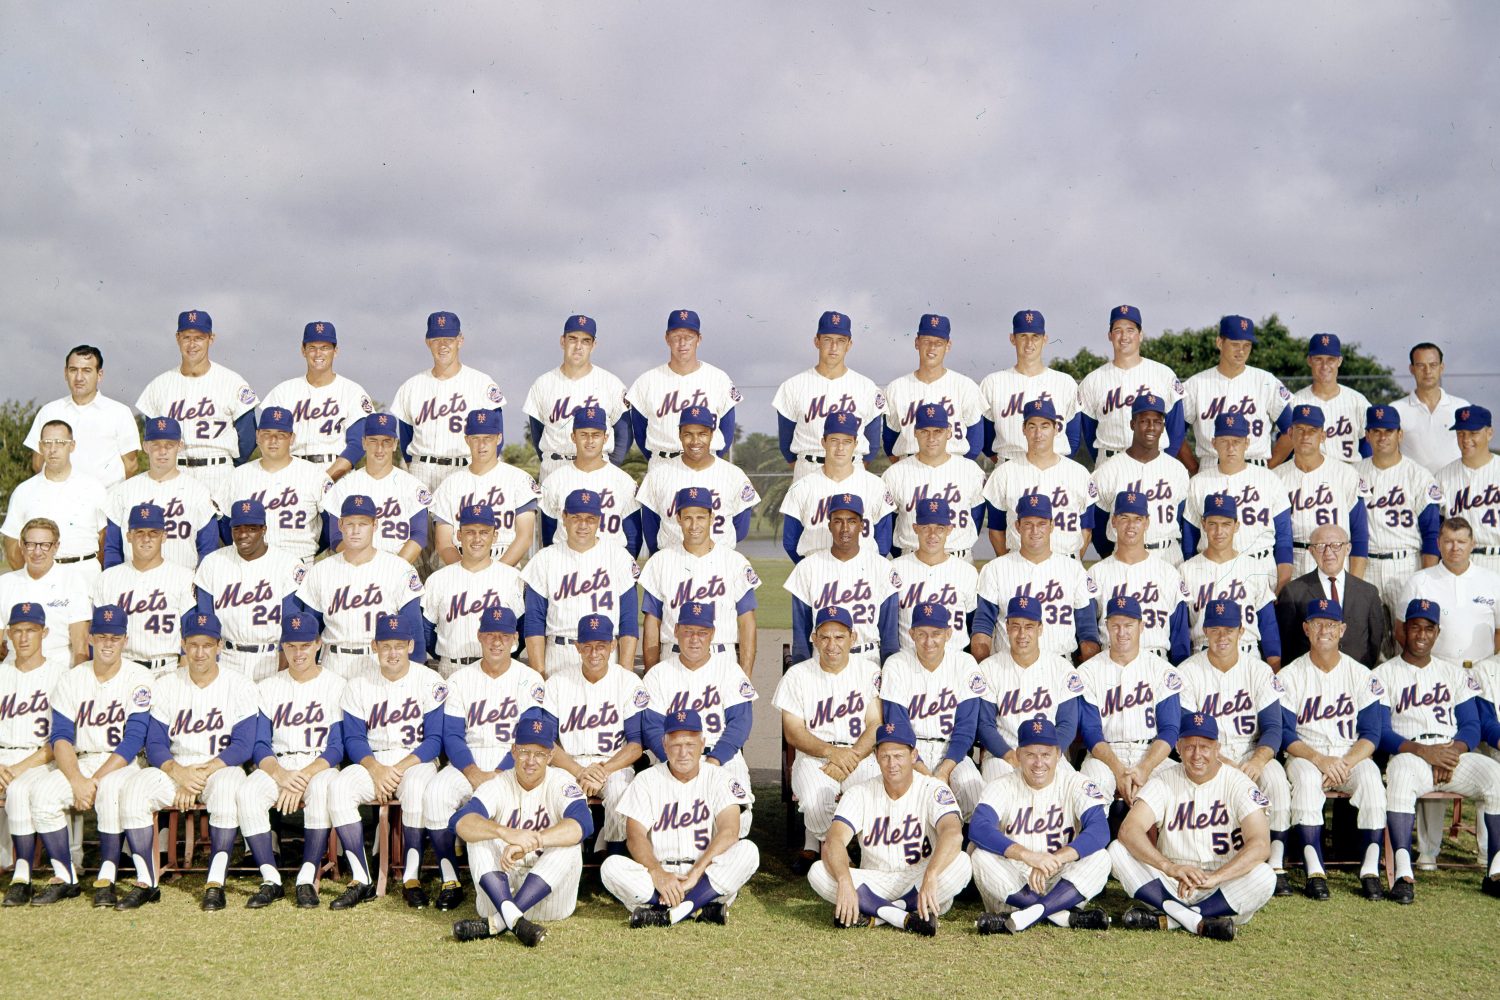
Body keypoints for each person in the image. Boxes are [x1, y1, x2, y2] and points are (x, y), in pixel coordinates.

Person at [114, 609, 257, 911]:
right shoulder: (166, 684)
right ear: (182, 644)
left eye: (207, 645)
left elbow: (243, 746)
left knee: (229, 788)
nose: (200, 652)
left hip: (219, 768)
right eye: (193, 644)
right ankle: (146, 881)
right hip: (176, 769)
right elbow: (154, 743)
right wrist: (177, 772)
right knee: (134, 789)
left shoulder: (240, 683)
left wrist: (200, 776)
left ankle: (215, 882)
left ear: (220, 646)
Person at [1108, 711, 1275, 940]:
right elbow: (1130, 830)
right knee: (1117, 850)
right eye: (1189, 747)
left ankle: (1172, 918)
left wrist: (1216, 877)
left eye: (1205, 747)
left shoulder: (1238, 783)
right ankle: (1197, 920)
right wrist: (1169, 868)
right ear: (1178, 747)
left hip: (1222, 886)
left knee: (1265, 875)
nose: (1197, 755)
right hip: (1173, 882)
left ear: (1217, 748)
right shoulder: (1164, 780)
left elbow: (1261, 844)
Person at [26, 604, 152, 907]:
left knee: (108, 790)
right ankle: (65, 876)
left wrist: (92, 781)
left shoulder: (139, 677)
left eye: (115, 637)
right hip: (80, 761)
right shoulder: (72, 679)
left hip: (122, 763)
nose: (108, 643)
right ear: (91, 639)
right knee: (43, 793)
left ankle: (106, 876)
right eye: (102, 636)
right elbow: (61, 737)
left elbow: (133, 740)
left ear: (125, 640)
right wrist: (77, 779)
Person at [1375, 598, 1500, 902]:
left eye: (1428, 629)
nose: (1421, 634)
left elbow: (1471, 725)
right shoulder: (1383, 673)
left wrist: (1453, 751)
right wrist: (1424, 752)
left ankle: (1496, 871)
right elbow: (1381, 732)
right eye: (1415, 627)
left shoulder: (1454, 673)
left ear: (1437, 633)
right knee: (1401, 776)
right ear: (1403, 630)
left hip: (1451, 753)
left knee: (1496, 776)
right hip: (1410, 753)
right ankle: (1404, 874)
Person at [423, 606, 546, 911]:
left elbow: (528, 736)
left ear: (515, 639)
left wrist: (501, 772)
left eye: (503, 636)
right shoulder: (460, 680)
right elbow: (452, 735)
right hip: (469, 760)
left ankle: (518, 876)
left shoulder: (530, 680)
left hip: (515, 763)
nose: (496, 642)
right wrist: (473, 771)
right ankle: (450, 878)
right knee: (436, 794)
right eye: (490, 635)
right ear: (479, 637)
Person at [805, 716, 971, 935]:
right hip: (875, 880)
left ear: (913, 755)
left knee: (962, 863)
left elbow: (953, 834)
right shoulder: (860, 792)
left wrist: (931, 875)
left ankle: (879, 914)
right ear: (876, 757)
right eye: (885, 757)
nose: (892, 764)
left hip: (918, 876)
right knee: (818, 872)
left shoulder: (932, 788)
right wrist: (845, 880)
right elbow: (834, 840)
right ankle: (906, 915)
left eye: (899, 756)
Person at [327, 614, 446, 910]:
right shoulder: (358, 684)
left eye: (398, 645)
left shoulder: (429, 680)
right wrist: (376, 769)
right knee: (339, 788)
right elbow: (353, 739)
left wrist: (397, 770)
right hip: (374, 761)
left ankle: (411, 877)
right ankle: (361, 877)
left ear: (410, 645)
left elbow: (434, 740)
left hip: (415, 760)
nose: (392, 653)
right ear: (374, 646)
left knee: (417, 788)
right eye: (385, 646)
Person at [600, 708, 760, 928]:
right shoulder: (647, 780)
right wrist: (658, 873)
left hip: (707, 876)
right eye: (675, 745)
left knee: (748, 851)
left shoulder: (720, 778)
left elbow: (729, 832)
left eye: (690, 745)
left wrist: (697, 872)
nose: (683, 752)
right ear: (664, 746)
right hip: (661, 878)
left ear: (702, 745)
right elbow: (635, 836)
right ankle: (699, 907)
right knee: (611, 867)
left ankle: (665, 913)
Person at [449, 707, 593, 946]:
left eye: (539, 754)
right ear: (514, 751)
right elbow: (460, 822)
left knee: (568, 842)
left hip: (550, 899)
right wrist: (505, 832)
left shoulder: (561, 782)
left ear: (550, 756)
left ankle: (497, 923)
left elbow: (582, 824)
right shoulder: (498, 783)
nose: (530, 761)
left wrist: (532, 841)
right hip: (499, 892)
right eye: (525, 751)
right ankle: (515, 920)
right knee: (480, 834)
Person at [1176, 600, 1292, 894]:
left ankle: (1276, 864)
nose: (1222, 636)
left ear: (1242, 631)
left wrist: (1258, 761)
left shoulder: (1259, 671)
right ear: (1205, 632)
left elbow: (1274, 728)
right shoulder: (1188, 671)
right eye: (1214, 629)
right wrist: (1221, 764)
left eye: (1228, 629)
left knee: (1276, 780)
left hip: (1250, 753)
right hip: (1206, 757)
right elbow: (1187, 730)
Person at [1278, 598, 1388, 901]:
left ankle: (1370, 871)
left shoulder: (1361, 674)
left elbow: (1371, 735)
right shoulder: (1289, 675)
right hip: (1307, 754)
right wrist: (1319, 759)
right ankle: (1315, 871)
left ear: (1342, 629)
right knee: (1304, 783)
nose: (1323, 629)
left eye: (1330, 624)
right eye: (1316, 623)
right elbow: (1286, 734)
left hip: (1349, 754)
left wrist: (1344, 762)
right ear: (1306, 629)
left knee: (1372, 784)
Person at [235, 613, 345, 909]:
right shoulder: (268, 687)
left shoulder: (335, 684)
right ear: (282, 647)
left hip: (317, 765)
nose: (299, 653)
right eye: (292, 646)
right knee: (247, 792)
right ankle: (270, 879)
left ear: (318, 644)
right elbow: (259, 744)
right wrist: (281, 775)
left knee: (322, 789)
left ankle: (306, 876)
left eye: (306, 645)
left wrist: (302, 776)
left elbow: (336, 747)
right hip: (279, 766)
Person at [969, 718, 1112, 933]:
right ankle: (1061, 916)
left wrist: (1058, 858)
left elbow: (1100, 830)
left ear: (1058, 754)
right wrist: (1028, 855)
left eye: (1045, 755)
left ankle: (1027, 915)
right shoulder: (1002, 784)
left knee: (1101, 857)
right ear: (1018, 755)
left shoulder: (1076, 783)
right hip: (1014, 882)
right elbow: (979, 828)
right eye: (1030, 755)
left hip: (1060, 878)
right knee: (978, 855)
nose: (1038, 763)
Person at [773, 606, 882, 874]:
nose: (831, 645)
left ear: (853, 638)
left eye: (839, 637)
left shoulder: (869, 671)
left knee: (876, 797)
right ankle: (839, 855)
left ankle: (860, 854)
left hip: (860, 755)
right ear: (814, 638)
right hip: (815, 758)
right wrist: (832, 753)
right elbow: (793, 732)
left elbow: (875, 723)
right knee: (817, 800)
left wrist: (851, 755)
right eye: (825, 637)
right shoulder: (797, 676)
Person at [641, 604, 756, 834]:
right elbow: (652, 728)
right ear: (675, 631)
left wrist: (714, 761)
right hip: (673, 759)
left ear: (712, 634)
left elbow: (740, 724)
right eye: (688, 631)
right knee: (658, 820)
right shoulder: (658, 674)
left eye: (702, 632)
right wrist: (676, 761)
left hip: (722, 758)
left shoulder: (730, 671)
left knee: (739, 822)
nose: (695, 639)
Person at [545, 615, 648, 856]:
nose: (594, 653)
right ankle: (572, 852)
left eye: (601, 646)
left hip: (613, 762)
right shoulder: (558, 682)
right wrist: (579, 771)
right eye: (588, 646)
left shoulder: (627, 681)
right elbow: (546, 743)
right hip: (569, 764)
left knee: (621, 792)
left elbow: (636, 745)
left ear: (612, 646)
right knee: (560, 792)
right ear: (577, 646)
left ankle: (614, 856)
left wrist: (604, 769)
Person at [133, 309, 259, 502]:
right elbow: (152, 439)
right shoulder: (159, 385)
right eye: (186, 337)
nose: (192, 344)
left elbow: (248, 436)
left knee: (220, 531)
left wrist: (228, 463)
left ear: (211, 339)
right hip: (174, 472)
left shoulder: (232, 381)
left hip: (218, 472)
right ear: (177, 338)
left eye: (199, 338)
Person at [296, 495, 427, 680]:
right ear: (340, 525)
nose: (355, 530)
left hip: (380, 663)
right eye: (350, 524)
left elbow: (415, 632)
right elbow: (310, 631)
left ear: (375, 525)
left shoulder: (399, 569)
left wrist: (413, 677)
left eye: (363, 524)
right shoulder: (320, 571)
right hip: (334, 664)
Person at [879, 603, 986, 818]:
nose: (929, 642)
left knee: (973, 791)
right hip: (909, 753)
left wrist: (944, 770)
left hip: (952, 753)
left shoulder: (965, 664)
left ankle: (966, 846)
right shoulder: (896, 664)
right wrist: (926, 774)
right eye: (922, 634)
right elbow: (897, 727)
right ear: (911, 634)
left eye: (936, 633)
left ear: (948, 633)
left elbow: (966, 729)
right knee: (909, 799)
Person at [1076, 596, 1182, 810]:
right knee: (1091, 785)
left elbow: (1170, 730)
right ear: (1106, 627)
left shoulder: (1162, 670)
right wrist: (1118, 770)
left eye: (1128, 625)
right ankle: (1097, 843)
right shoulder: (1087, 672)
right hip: (1104, 757)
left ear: (1141, 627)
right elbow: (1090, 731)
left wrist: (1144, 768)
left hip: (1150, 754)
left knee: (1179, 786)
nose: (1122, 632)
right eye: (1115, 626)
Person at [639, 487, 759, 673]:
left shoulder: (735, 562)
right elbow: (652, 623)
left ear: (712, 518)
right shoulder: (660, 562)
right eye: (688, 518)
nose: (694, 525)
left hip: (722, 658)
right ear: (678, 519)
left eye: (701, 517)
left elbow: (747, 623)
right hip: (672, 660)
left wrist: (746, 675)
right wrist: (651, 673)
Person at [521, 489, 639, 676]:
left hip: (604, 653)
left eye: (590, 519)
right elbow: (534, 622)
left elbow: (629, 621)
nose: (583, 525)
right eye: (576, 518)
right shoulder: (545, 558)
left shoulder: (618, 557)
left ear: (599, 520)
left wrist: (625, 672)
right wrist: (539, 672)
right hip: (560, 653)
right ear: (564, 517)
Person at [387, 311, 507, 495]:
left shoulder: (482, 384)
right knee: (421, 524)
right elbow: (405, 439)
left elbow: (497, 436)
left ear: (460, 340)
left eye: (448, 339)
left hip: (465, 468)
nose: (442, 345)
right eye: (436, 339)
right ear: (428, 342)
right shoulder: (411, 386)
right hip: (422, 471)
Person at [971, 494, 1101, 662]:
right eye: (1028, 524)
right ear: (1017, 526)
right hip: (1008, 666)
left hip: (1060, 665)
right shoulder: (995, 569)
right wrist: (985, 669)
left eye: (1041, 524)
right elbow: (982, 626)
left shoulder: (1073, 569)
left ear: (1052, 525)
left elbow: (1088, 631)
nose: (1035, 531)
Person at [0, 604, 70, 906]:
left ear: (45, 633)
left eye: (31, 630)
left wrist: (16, 769)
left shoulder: (60, 676)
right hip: (3, 759)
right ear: (8, 635)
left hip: (41, 760)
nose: (24, 637)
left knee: (18, 790)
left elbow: (62, 738)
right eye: (18, 630)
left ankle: (22, 874)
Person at [193, 498, 307, 682]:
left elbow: (291, 629)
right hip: (227, 659)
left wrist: (283, 674)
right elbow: (205, 624)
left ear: (264, 529)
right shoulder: (213, 563)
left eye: (251, 528)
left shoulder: (287, 564)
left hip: (271, 657)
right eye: (237, 528)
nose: (243, 534)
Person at [1180, 412, 1294, 593]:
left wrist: (1283, 581)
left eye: (1237, 441)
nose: (1230, 447)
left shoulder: (1269, 480)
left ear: (1247, 443)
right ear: (1214, 443)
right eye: (1224, 441)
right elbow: (1190, 539)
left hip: (1261, 568)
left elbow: (1284, 538)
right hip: (1211, 571)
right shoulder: (1199, 482)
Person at [975, 596, 1083, 784]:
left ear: (1040, 628)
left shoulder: (1061, 668)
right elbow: (985, 725)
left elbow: (1067, 725)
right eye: (1015, 626)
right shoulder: (989, 668)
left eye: (1029, 626)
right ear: (1007, 628)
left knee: (1074, 790)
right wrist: (1009, 755)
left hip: (1049, 756)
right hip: (1002, 756)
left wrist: (1045, 756)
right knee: (997, 790)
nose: (1022, 634)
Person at [784, 494, 900, 663]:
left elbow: (889, 639)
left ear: (862, 525)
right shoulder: (807, 568)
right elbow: (801, 638)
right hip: (823, 660)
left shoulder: (882, 568)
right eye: (838, 521)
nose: (845, 528)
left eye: (852, 521)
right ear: (829, 525)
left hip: (868, 659)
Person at [772, 310, 887, 479]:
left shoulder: (866, 386)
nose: (834, 347)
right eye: (827, 340)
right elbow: (785, 443)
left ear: (849, 344)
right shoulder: (793, 386)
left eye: (840, 341)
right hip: (808, 469)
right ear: (816, 342)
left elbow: (873, 443)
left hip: (853, 470)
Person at [419, 502, 526, 678]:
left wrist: (503, 656)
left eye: (484, 532)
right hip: (452, 668)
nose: (477, 539)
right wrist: (447, 655)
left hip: (500, 670)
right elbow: (426, 631)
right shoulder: (438, 580)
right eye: (470, 532)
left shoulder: (512, 578)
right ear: (459, 535)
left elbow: (521, 629)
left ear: (495, 536)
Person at [258, 321, 374, 480]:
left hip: (337, 473)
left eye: (325, 347)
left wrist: (327, 479)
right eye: (312, 348)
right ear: (303, 351)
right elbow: (267, 439)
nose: (318, 354)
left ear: (336, 351)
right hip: (291, 474)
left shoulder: (352, 391)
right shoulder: (283, 391)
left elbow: (357, 445)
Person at [521, 313, 631, 480]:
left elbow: (624, 433)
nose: (578, 346)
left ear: (593, 345)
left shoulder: (611, 383)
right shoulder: (543, 384)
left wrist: (610, 466)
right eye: (573, 339)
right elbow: (537, 434)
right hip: (555, 470)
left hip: (598, 471)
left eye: (585, 341)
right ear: (562, 341)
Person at [635, 406, 759, 554]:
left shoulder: (734, 475)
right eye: (688, 434)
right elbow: (651, 529)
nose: (695, 441)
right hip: (673, 560)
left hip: (720, 562)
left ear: (712, 435)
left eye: (702, 434)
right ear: (679, 435)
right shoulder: (658, 475)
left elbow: (741, 528)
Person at [1357, 404, 1443, 617]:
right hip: (1366, 565)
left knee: (1406, 637)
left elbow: (1432, 533)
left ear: (1400, 434)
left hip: (1406, 565)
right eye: (1375, 431)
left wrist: (1426, 578)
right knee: (1368, 642)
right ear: (1367, 436)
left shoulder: (1419, 476)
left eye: (1388, 431)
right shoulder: (1353, 474)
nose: (1382, 437)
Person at [104, 416, 222, 570]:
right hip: (133, 582)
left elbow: (208, 550)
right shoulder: (124, 491)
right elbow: (113, 548)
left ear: (180, 446)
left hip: (184, 582)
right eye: (156, 445)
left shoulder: (198, 492)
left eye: (169, 445)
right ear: (145, 446)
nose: (162, 451)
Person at [984, 398, 1095, 560]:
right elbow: (996, 530)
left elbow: (1086, 529)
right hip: (1019, 563)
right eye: (1032, 426)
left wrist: (1073, 562)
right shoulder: (1005, 473)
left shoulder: (1079, 473)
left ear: (1056, 429)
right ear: (1023, 429)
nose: (1038, 434)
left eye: (1045, 426)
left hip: (1066, 562)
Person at [626, 309, 741, 466]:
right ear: (667, 339)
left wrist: (709, 460)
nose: (682, 343)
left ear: (699, 339)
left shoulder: (719, 378)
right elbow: (639, 432)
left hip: (707, 462)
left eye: (689, 337)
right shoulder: (647, 381)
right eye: (676, 337)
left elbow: (727, 430)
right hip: (663, 463)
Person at [91, 503, 197, 674]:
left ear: (164, 536)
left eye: (153, 533)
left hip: (168, 668)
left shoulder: (183, 577)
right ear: (128, 536)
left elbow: (190, 632)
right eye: (139, 532)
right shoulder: (108, 578)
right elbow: (97, 632)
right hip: (123, 669)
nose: (146, 539)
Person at [1179, 315, 1292, 474]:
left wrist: (1270, 466)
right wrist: (1194, 468)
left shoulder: (1266, 381)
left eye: (1247, 345)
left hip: (1255, 466)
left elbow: (1292, 430)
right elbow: (1174, 430)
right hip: (1211, 468)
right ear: (1219, 343)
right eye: (1235, 344)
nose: (1241, 351)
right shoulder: (1196, 383)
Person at [1, 419, 108, 586]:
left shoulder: (94, 488)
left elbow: (104, 538)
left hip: (86, 578)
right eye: (47, 443)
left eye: (60, 443)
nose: (53, 449)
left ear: (72, 446)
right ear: (40, 447)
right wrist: (31, 579)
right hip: (41, 579)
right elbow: (12, 542)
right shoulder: (24, 491)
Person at [1088, 492, 1191, 664]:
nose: (1131, 525)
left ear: (1147, 523)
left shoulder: (1168, 573)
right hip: (1110, 663)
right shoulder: (1097, 573)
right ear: (1113, 521)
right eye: (1124, 518)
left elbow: (1179, 637)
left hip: (1157, 664)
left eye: (1137, 519)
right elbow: (1089, 632)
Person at [429, 409, 540, 568]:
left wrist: (495, 575)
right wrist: (464, 574)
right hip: (459, 566)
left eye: (488, 438)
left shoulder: (519, 480)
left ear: (499, 438)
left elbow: (525, 537)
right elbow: (444, 542)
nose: (481, 445)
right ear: (467, 440)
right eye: (475, 438)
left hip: (505, 565)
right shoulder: (450, 484)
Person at [1076, 304, 1187, 464]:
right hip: (1110, 462)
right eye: (1118, 330)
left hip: (1155, 462)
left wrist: (1165, 464)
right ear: (1109, 335)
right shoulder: (1093, 380)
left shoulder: (1163, 374)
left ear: (1140, 335)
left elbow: (1176, 429)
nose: (1124, 336)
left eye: (1130, 330)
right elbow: (1089, 432)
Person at [1179, 494, 1282, 666]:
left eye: (1226, 524)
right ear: (1203, 524)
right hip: (1202, 658)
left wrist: (1274, 665)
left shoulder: (1254, 567)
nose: (1219, 532)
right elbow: (1181, 628)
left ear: (1236, 526)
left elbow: (1268, 622)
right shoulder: (1186, 570)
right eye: (1213, 524)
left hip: (1248, 655)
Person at [780, 411, 896, 562]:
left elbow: (883, 541)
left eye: (847, 441)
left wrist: (871, 568)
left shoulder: (876, 486)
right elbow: (790, 541)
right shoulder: (802, 487)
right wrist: (809, 568)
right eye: (834, 440)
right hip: (818, 569)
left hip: (864, 569)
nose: (840, 447)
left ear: (855, 444)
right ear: (823, 442)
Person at [222, 406, 332, 565]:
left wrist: (311, 550)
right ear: (257, 436)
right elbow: (225, 525)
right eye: (267, 434)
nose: (273, 440)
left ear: (292, 438)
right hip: (251, 565)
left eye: (281, 435)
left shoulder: (315, 475)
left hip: (299, 562)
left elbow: (331, 526)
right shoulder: (238, 475)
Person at [1090, 393, 1190, 564]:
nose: (1151, 427)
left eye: (1158, 422)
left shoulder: (1177, 469)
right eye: (1144, 421)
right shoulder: (1108, 469)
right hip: (1124, 557)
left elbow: (1181, 517)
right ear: (1132, 424)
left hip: (1168, 557)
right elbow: (1098, 525)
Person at [23, 344, 140, 488]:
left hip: (105, 505)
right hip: (58, 503)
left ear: (99, 375)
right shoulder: (49, 411)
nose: (79, 377)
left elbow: (131, 466)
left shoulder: (120, 412)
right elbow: (37, 463)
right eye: (73, 370)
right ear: (65, 373)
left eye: (87, 371)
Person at [1275, 404, 1370, 577]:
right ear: (1290, 433)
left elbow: (1360, 534)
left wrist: (1355, 584)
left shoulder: (1345, 474)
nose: (1305, 436)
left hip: (1334, 560)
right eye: (1300, 430)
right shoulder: (1276, 478)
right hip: (1293, 560)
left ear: (1323, 436)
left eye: (1312, 430)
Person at [883, 402, 986, 558]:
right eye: (924, 431)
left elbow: (976, 517)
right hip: (910, 559)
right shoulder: (895, 473)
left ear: (949, 432)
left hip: (958, 558)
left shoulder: (970, 471)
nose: (931, 438)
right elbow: (887, 524)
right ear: (915, 433)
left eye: (938, 431)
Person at [979, 309, 1082, 463]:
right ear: (1012, 339)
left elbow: (1073, 438)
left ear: (1045, 339)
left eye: (1035, 336)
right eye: (1023, 336)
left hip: (1054, 469)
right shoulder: (993, 382)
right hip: (1010, 465)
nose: (1029, 343)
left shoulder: (1065, 382)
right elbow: (985, 438)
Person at [1276, 524, 1387, 668]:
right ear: (1311, 551)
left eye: (1336, 545)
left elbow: (1375, 642)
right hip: (1311, 676)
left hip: (1356, 676)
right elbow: (1287, 644)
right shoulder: (1293, 592)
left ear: (1348, 549)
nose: (1328, 552)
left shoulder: (1368, 592)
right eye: (1321, 546)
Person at [324, 412, 429, 564]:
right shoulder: (345, 486)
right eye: (373, 441)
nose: (379, 448)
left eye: (386, 441)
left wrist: (393, 570)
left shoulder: (412, 486)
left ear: (394, 444)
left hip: (398, 566)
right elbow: (336, 538)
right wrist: (365, 567)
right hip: (354, 567)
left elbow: (418, 535)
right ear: (364, 443)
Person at [1395, 516, 1500, 663]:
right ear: (1438, 544)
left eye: (1461, 542)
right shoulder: (1418, 582)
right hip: (1437, 675)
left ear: (1472, 544)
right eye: (1448, 542)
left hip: (1481, 671)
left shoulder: (1493, 580)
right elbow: (1401, 631)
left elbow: (1498, 632)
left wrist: (1487, 665)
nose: (1455, 548)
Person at [538, 405, 641, 554]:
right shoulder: (554, 481)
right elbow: (549, 537)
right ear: (573, 437)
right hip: (566, 563)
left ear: (605, 438)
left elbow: (633, 538)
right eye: (584, 434)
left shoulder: (624, 481)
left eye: (596, 435)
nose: (590, 441)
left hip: (610, 564)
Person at [881, 314, 984, 461]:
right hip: (910, 465)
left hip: (954, 465)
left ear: (948, 346)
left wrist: (962, 470)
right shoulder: (896, 388)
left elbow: (976, 440)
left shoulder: (965, 386)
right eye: (926, 341)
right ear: (917, 342)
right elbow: (889, 439)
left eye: (939, 343)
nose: (932, 347)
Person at [891, 498, 977, 654]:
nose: (932, 535)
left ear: (950, 529)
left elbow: (973, 622)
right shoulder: (895, 568)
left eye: (940, 528)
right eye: (925, 527)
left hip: (955, 658)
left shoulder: (967, 572)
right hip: (908, 660)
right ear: (915, 528)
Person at [0, 519, 89, 665]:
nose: (37, 552)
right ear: (21, 545)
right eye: (30, 544)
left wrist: (77, 683)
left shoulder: (73, 580)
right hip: (14, 670)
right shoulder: (5, 583)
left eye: (45, 545)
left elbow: (81, 648)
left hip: (60, 669)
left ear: (56, 547)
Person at [1276, 334, 1371, 465]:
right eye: (1318, 359)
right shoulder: (1295, 402)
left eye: (1331, 359)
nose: (1325, 366)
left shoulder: (1358, 401)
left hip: (1349, 476)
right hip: (1308, 478)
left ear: (1339, 361)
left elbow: (1369, 446)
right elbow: (1285, 445)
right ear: (1309, 360)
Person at [1437, 405, 1500, 574]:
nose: (1466, 439)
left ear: (1489, 433)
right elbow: (1436, 526)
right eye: (1461, 433)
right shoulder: (1443, 477)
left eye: (1473, 433)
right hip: (1459, 563)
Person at [1391, 342, 1468, 474]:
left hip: (1455, 488)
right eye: (1421, 365)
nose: (1427, 371)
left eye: (1433, 365)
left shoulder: (1462, 407)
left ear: (1441, 367)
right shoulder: (1396, 410)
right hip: (1413, 490)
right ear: (1412, 369)